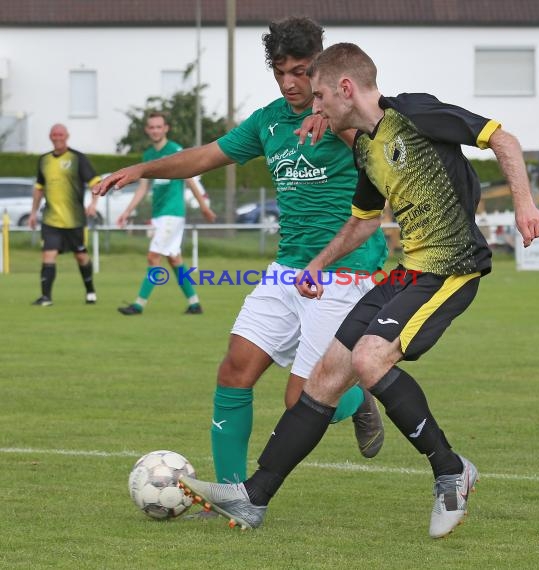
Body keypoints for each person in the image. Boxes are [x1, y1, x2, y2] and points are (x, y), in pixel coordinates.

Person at [176, 43, 539, 538]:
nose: (317, 106)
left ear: (346, 88)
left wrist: (524, 205)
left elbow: (504, 141)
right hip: (408, 270)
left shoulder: (415, 113)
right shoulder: (365, 148)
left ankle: (451, 470)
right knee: (327, 375)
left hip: (452, 269)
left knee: (370, 362)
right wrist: (316, 265)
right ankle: (253, 498)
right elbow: (362, 223)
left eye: (322, 94)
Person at [93, 19, 389, 490]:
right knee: (234, 371)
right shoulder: (268, 120)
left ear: (322, 67)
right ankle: (232, 493)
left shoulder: (349, 115)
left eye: (302, 71)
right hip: (286, 271)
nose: (290, 82)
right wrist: (141, 169)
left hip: (344, 274)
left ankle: (355, 399)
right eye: (280, 71)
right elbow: (205, 156)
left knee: (301, 400)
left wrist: (339, 119)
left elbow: (390, 152)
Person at [116, 111, 216, 316]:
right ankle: (195, 304)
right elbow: (143, 188)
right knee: (174, 259)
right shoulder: (148, 156)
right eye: (151, 127)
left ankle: (138, 305)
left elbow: (190, 179)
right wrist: (127, 211)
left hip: (173, 213)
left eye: (158, 126)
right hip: (159, 214)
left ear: (166, 128)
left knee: (153, 257)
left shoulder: (175, 151)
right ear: (147, 130)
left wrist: (204, 207)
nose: (155, 130)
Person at [29, 123, 101, 306]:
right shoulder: (44, 160)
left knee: (81, 256)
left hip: (74, 219)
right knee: (48, 255)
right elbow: (39, 188)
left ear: (67, 136)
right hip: (51, 219)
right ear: (50, 137)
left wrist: (93, 204)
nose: (57, 137)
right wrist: (32, 213)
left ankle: (90, 291)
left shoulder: (78, 158)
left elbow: (95, 182)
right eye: (54, 134)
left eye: (60, 134)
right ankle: (46, 297)